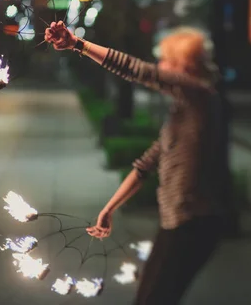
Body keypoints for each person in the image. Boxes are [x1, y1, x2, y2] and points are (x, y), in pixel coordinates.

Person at [45, 21, 228, 305]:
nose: (160, 65)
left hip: (194, 223)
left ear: (184, 64)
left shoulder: (201, 96)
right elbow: (146, 165)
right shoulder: (184, 114)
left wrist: (78, 44)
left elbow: (135, 69)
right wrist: (109, 208)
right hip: (179, 222)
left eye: (166, 60)